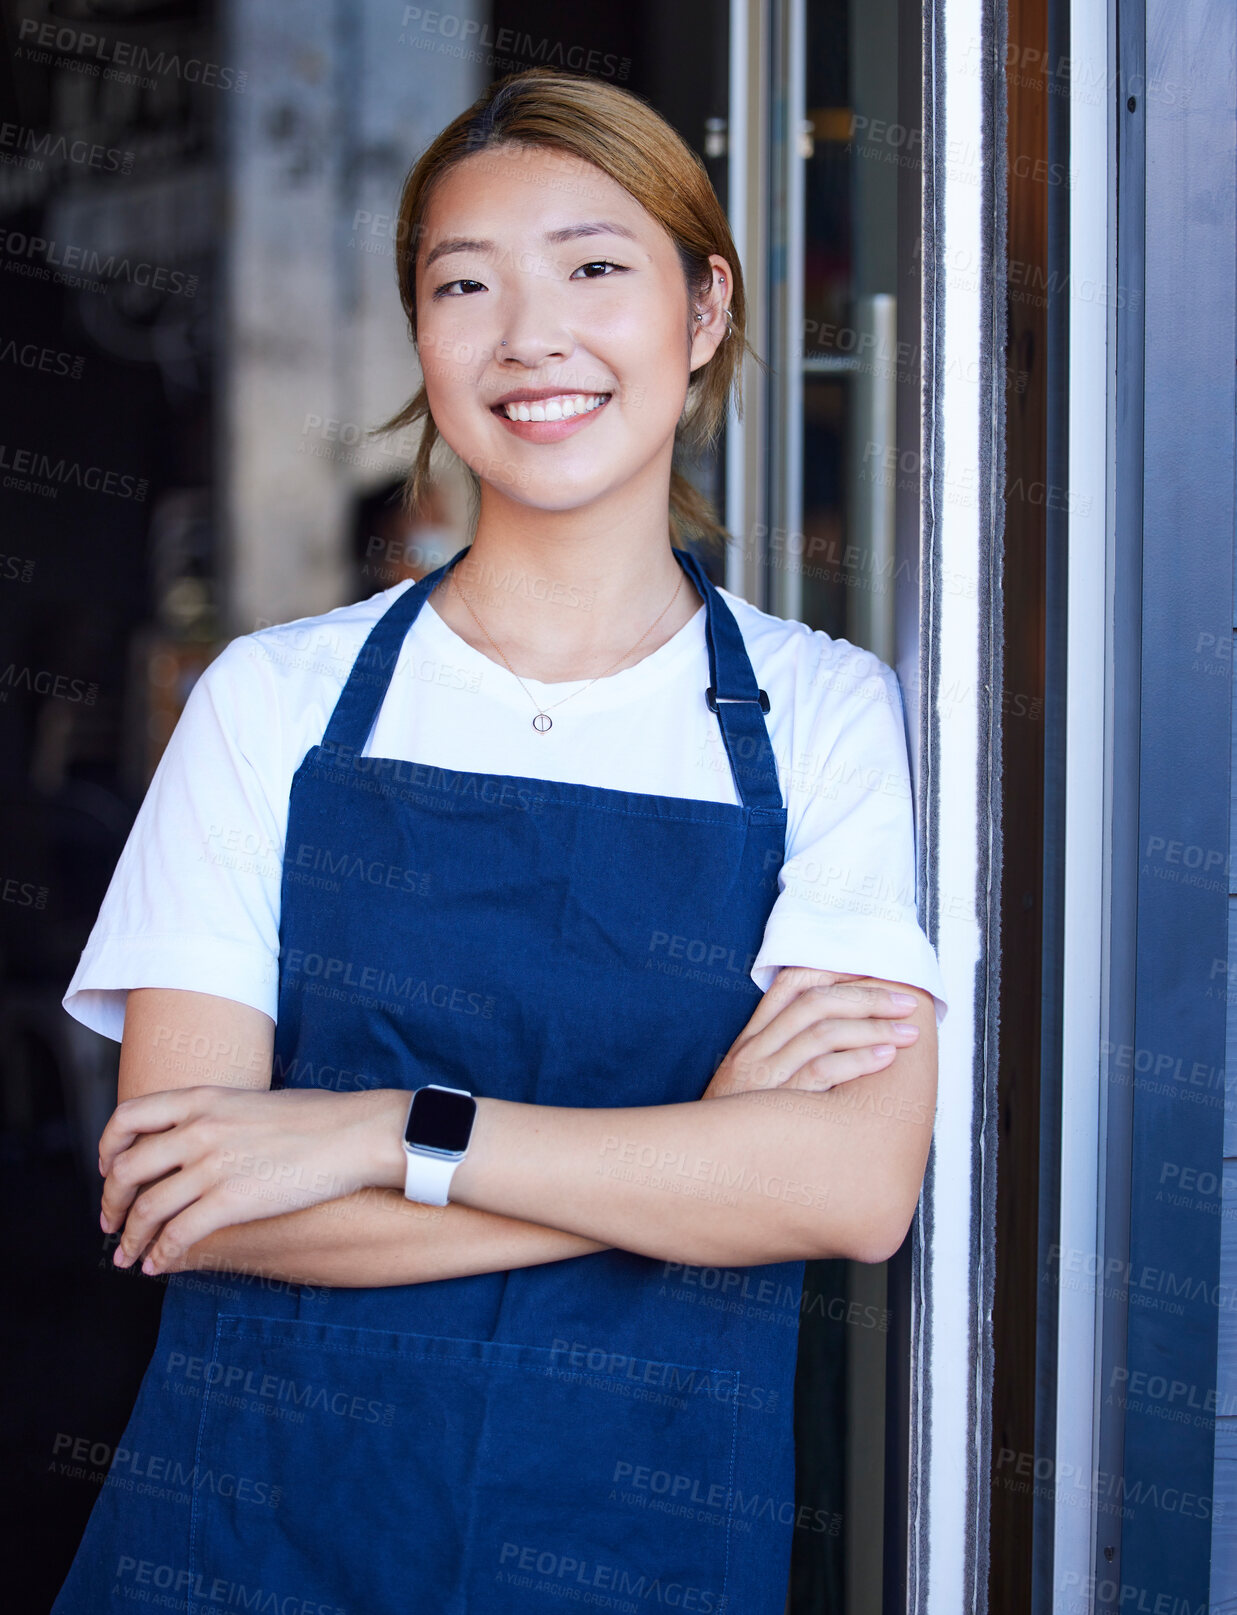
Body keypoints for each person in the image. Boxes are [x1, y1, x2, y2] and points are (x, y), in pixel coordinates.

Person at [53, 66, 948, 1615]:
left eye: (594, 268)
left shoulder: (820, 716)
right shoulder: (273, 705)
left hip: (639, 1549)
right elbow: (183, 1202)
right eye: (464, 285)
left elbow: (850, 1190)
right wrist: (687, 1162)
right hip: (257, 1543)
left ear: (705, 306)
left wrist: (374, 1130)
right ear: (419, 335)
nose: (530, 337)